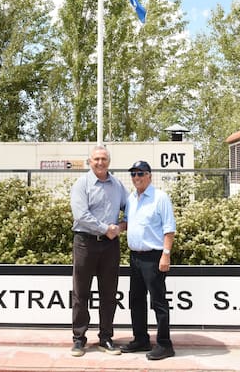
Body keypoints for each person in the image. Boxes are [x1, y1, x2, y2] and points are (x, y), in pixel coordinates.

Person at [69, 145, 128, 357]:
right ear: (89, 162)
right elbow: (80, 215)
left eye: (104, 159)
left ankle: (106, 338)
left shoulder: (117, 185)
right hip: (85, 242)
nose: (100, 162)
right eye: (96, 159)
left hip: (110, 245)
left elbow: (129, 208)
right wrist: (106, 228)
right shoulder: (81, 184)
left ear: (109, 161)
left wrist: (120, 227)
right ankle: (79, 339)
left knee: (109, 293)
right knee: (81, 292)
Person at [120, 160, 176, 361]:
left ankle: (164, 344)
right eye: (133, 174)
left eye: (140, 173)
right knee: (135, 300)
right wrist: (113, 228)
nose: (136, 178)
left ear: (149, 176)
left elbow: (169, 229)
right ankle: (141, 339)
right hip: (135, 257)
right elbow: (128, 223)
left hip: (154, 257)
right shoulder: (131, 198)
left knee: (158, 302)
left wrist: (166, 255)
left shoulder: (160, 198)